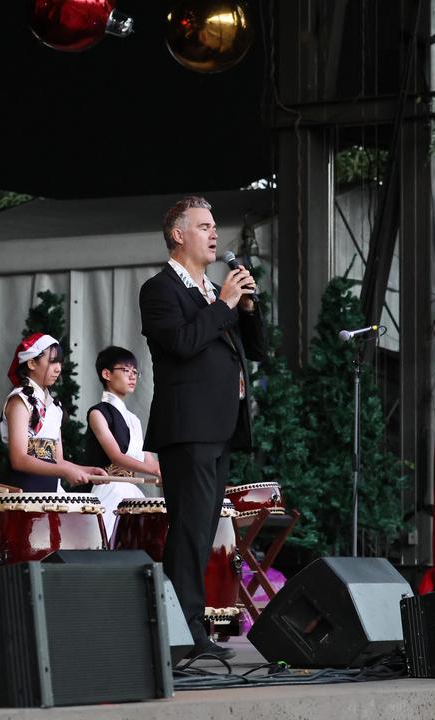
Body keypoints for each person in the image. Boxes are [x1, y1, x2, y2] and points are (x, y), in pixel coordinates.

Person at [139, 196, 266, 660]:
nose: (215, 234)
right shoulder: (159, 290)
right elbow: (182, 343)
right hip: (187, 426)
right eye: (204, 226)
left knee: (203, 528)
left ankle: (191, 631)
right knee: (190, 529)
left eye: (215, 226)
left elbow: (257, 351)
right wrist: (225, 303)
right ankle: (181, 635)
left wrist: (247, 307)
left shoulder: (215, 290)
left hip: (220, 427)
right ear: (178, 234)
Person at [0, 332, 105, 492]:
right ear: (31, 363)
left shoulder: (55, 407)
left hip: (50, 490)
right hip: (24, 493)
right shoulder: (19, 401)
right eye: (52, 362)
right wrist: (64, 471)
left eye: (60, 363)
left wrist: (87, 470)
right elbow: (19, 459)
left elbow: (58, 460)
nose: (58, 369)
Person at [84, 345, 158, 537]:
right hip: (108, 490)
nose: (132, 376)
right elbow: (116, 457)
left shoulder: (134, 419)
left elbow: (148, 461)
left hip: (131, 492)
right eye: (125, 370)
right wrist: (156, 470)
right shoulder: (98, 413)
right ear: (106, 374)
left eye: (135, 372)